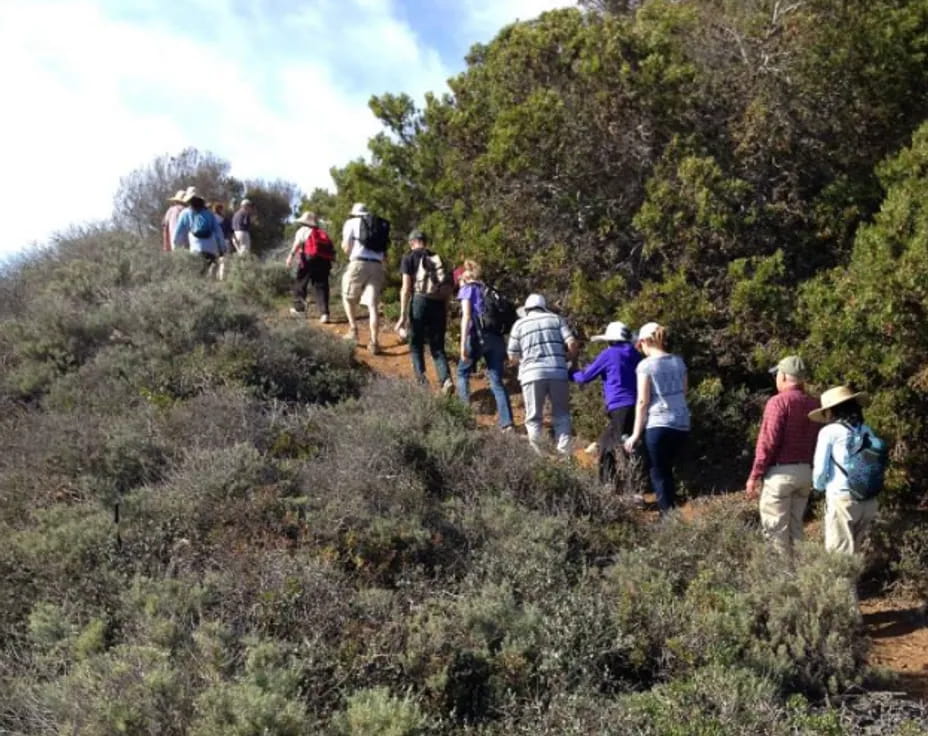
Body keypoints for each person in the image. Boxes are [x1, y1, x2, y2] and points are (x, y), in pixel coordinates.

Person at [745, 356, 821, 554]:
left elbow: (768, 442)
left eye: (777, 374)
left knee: (775, 533)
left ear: (785, 376)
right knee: (796, 531)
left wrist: (754, 475)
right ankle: (801, 570)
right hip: (805, 472)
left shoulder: (777, 402)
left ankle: (780, 573)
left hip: (780, 474)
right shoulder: (815, 404)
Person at [623, 322, 690, 514]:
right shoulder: (679, 362)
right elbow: (684, 391)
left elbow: (642, 401)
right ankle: (672, 512)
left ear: (645, 341)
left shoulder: (645, 366)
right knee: (668, 470)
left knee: (658, 472)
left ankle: (667, 517)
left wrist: (635, 434)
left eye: (639, 344)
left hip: (658, 423)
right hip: (682, 423)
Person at [809, 386, 879, 555]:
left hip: (842, 498)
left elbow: (820, 470)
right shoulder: (867, 431)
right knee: (856, 554)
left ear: (832, 411)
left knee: (839, 556)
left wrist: (819, 487)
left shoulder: (829, 432)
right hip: (867, 500)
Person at [507, 294, 578, 455]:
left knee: (533, 418)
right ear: (543, 307)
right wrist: (566, 357)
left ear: (527, 309)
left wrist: (523, 362)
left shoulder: (519, 324)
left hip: (531, 374)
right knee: (561, 415)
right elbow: (572, 343)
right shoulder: (556, 319)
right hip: (557, 371)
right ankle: (564, 454)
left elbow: (512, 355)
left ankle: (538, 456)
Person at [571, 321, 640, 484]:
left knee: (613, 446)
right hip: (637, 405)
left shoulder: (609, 354)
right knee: (608, 442)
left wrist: (570, 373)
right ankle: (612, 482)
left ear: (611, 340)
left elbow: (585, 377)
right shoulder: (636, 354)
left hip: (619, 405)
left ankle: (614, 484)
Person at [456, 260, 514, 429]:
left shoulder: (467, 289)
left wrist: (462, 345)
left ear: (466, 276)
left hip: (477, 337)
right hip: (497, 339)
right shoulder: (490, 290)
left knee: (462, 373)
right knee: (497, 382)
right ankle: (507, 423)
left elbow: (467, 317)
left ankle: (464, 417)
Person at [394, 230, 453, 393]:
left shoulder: (408, 258)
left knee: (415, 344)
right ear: (425, 242)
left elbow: (406, 288)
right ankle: (446, 379)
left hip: (420, 302)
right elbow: (447, 288)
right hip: (438, 303)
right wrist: (445, 309)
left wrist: (402, 315)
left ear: (411, 242)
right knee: (438, 346)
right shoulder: (437, 258)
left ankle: (421, 382)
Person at [341, 203, 386, 354]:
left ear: (354, 213)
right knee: (372, 305)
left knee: (347, 297)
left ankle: (353, 330)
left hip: (358, 263)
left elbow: (346, 248)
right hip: (377, 265)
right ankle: (374, 342)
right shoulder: (378, 225)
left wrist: (348, 251)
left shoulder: (351, 223)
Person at [286, 211, 332, 322]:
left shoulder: (302, 230)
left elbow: (297, 245)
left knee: (300, 284)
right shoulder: (321, 232)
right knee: (321, 286)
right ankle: (324, 314)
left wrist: (290, 257)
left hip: (308, 260)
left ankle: (299, 310)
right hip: (324, 262)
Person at [172, 187, 225, 277]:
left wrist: (176, 249)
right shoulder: (209, 213)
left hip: (195, 250)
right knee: (210, 276)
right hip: (211, 250)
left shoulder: (185, 213)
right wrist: (222, 249)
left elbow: (177, 234)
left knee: (197, 276)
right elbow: (219, 232)